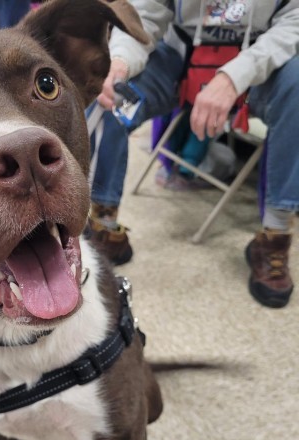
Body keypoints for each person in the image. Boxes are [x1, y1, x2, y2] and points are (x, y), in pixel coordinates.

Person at [87, 0, 299, 308]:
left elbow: (294, 21)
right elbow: (144, 15)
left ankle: (274, 238)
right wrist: (119, 61)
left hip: (261, 63)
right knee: (109, 94)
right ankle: (103, 225)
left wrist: (234, 76)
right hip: (182, 58)